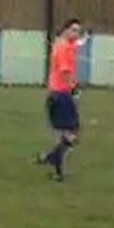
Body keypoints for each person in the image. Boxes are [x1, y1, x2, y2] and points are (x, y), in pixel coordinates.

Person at [37, 19, 83, 182]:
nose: (77, 34)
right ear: (65, 30)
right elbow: (64, 71)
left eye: (79, 31)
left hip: (56, 93)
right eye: (74, 30)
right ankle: (51, 158)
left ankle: (56, 168)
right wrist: (73, 88)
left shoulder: (62, 45)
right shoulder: (63, 47)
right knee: (71, 134)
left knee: (64, 135)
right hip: (61, 94)